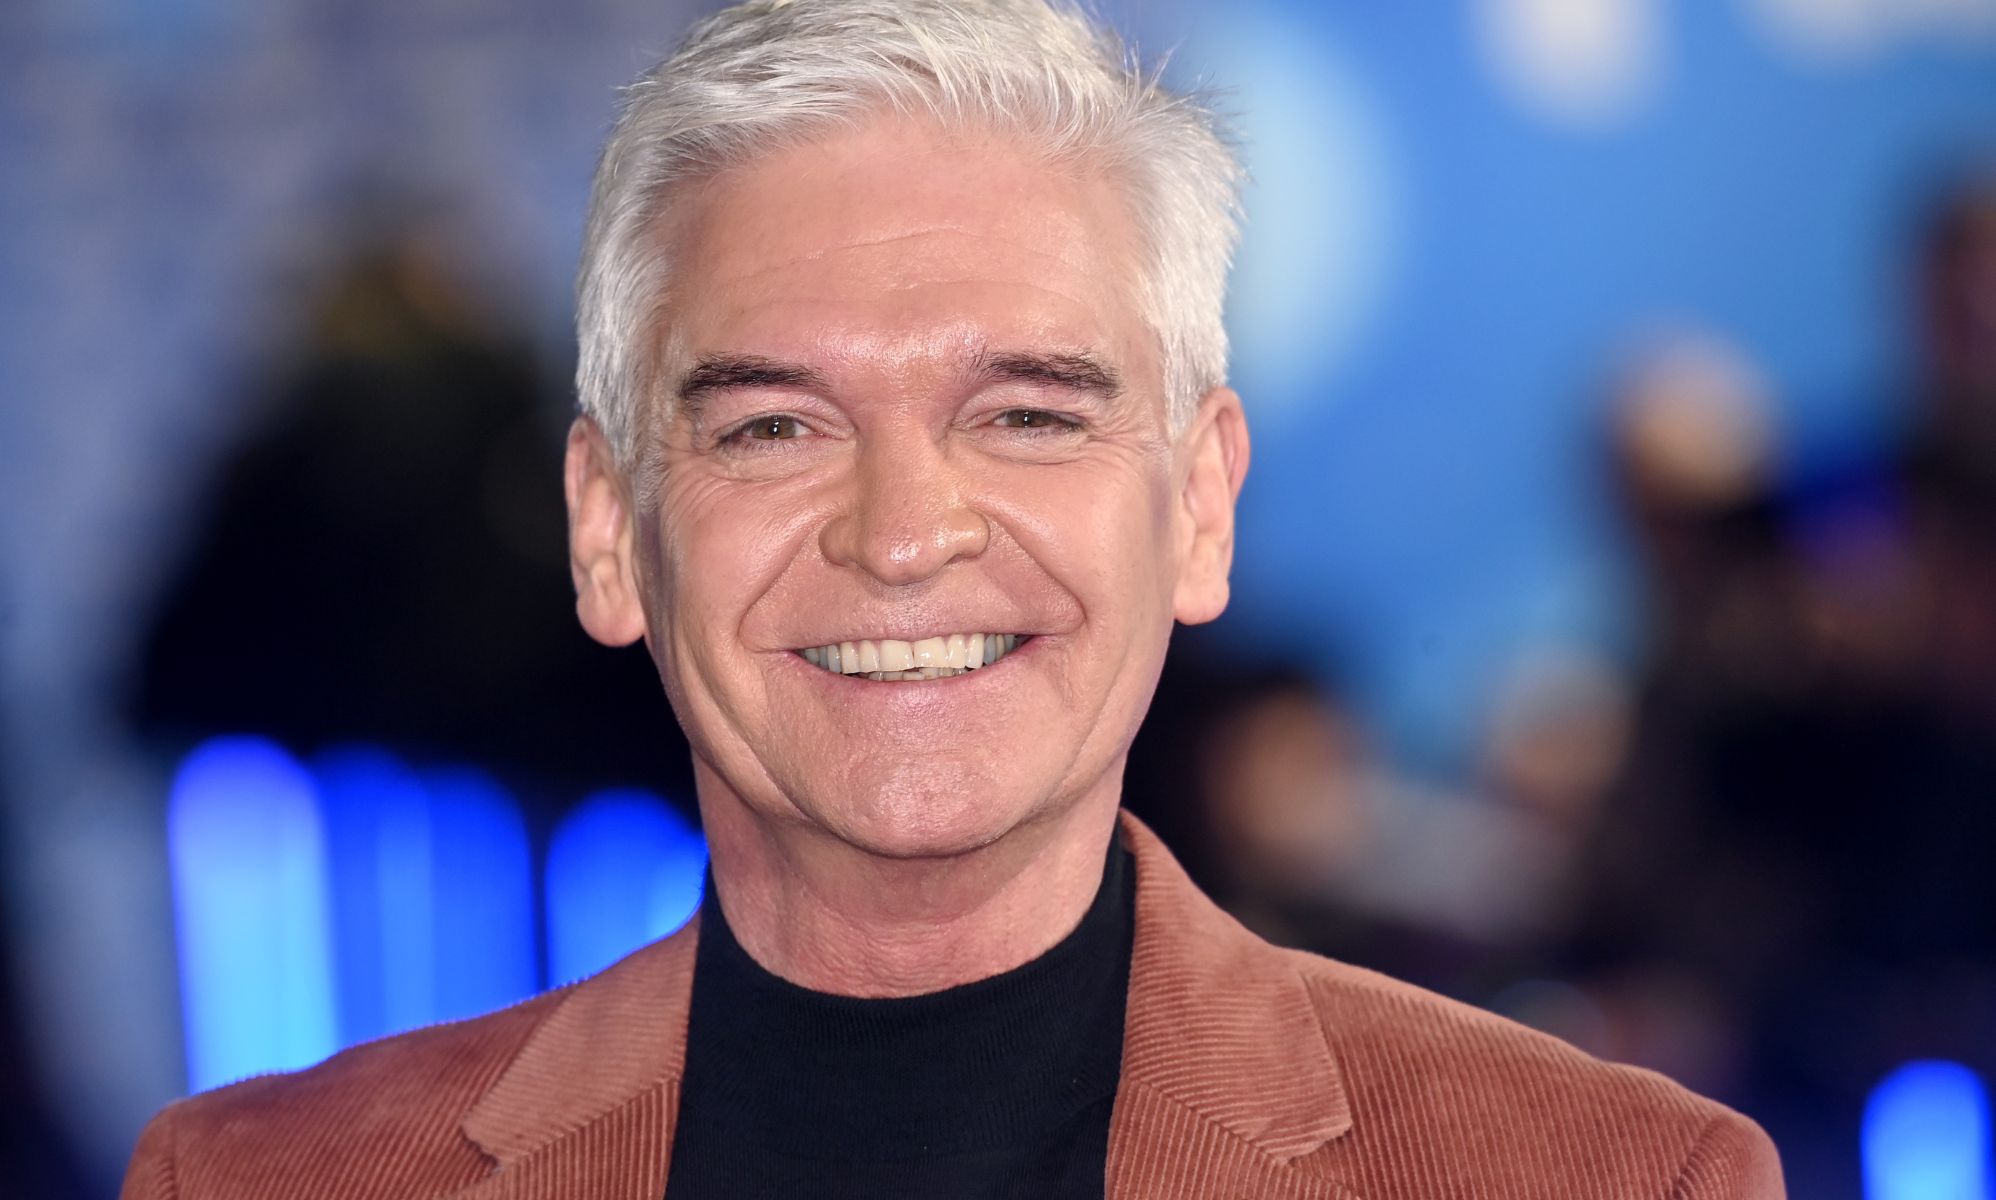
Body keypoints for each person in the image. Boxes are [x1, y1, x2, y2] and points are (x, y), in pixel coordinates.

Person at [120, 2, 1785, 1196]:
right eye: (775, 427)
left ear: (1200, 508)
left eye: (1027, 416)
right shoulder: (262, 1180)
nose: (905, 534)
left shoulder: (1609, 1177)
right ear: (610, 531)